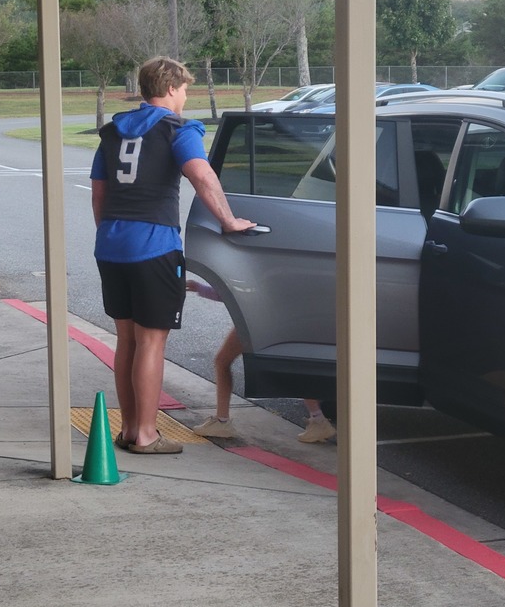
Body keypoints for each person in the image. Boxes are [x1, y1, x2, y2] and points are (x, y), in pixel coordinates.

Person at [90, 55, 256, 455]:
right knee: (151, 342)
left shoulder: (111, 133)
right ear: (169, 88)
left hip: (111, 244)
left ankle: (130, 428)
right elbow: (201, 175)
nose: (185, 97)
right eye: (184, 89)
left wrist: (113, 235)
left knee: (126, 340)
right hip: (153, 245)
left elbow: (100, 194)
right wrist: (229, 220)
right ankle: (147, 434)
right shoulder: (177, 130)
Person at [187, 280, 337, 444]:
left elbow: (236, 294)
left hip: (256, 316)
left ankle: (222, 420)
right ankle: (318, 419)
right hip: (287, 314)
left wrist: (201, 288)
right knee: (293, 366)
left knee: (222, 361)